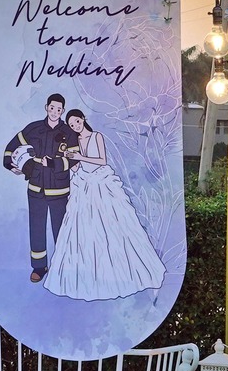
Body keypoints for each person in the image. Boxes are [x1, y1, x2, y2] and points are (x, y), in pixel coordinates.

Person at [45, 109, 165, 302]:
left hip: (102, 182)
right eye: (72, 125)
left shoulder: (96, 136)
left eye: (77, 122)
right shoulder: (75, 142)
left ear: (83, 119)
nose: (76, 126)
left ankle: (125, 272)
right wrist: (69, 159)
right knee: (83, 229)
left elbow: (102, 160)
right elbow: (77, 167)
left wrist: (79, 157)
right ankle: (89, 278)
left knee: (115, 226)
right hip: (83, 184)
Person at [4, 93, 75, 283]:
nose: (54, 112)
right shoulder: (33, 128)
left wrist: (54, 163)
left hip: (59, 190)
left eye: (58, 109)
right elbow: (12, 146)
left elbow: (74, 159)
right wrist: (11, 165)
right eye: (52, 108)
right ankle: (39, 267)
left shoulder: (69, 132)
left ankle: (63, 266)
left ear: (63, 111)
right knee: (36, 228)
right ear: (46, 107)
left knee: (61, 230)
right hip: (36, 188)